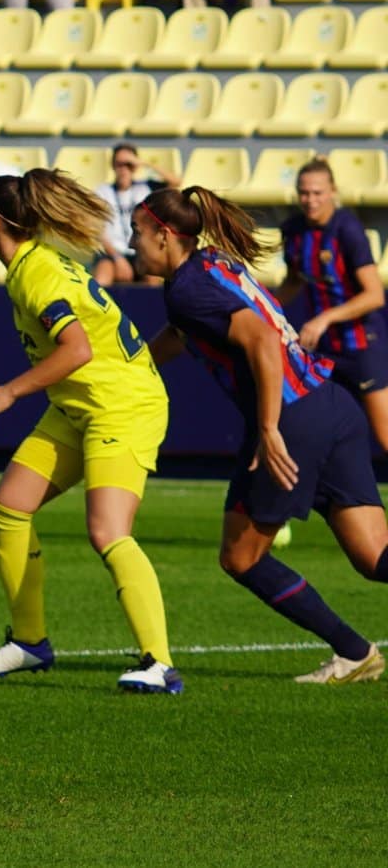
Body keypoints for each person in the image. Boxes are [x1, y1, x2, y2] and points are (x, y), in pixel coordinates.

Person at [132, 186, 388, 684]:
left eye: (137, 234)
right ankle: (357, 656)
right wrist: (133, 362)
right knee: (375, 557)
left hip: (293, 418)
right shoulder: (209, 263)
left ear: (164, 236)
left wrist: (269, 428)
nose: (130, 245)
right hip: (331, 403)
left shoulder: (187, 288)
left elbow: (263, 340)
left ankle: (354, 652)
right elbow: (185, 334)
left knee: (241, 556)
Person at [0, 170, 179, 693]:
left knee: (107, 531)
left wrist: (10, 392)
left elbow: (76, 348)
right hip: (79, 403)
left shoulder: (37, 272)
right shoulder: (32, 265)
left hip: (120, 406)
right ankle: (29, 643)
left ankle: (159, 663)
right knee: (10, 507)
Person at [276, 159, 388, 451]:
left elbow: (374, 294)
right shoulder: (293, 230)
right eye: (304, 193)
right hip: (323, 351)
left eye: (317, 193)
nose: (310, 200)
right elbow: (294, 281)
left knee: (385, 435)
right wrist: (264, 306)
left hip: (362, 345)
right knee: (323, 434)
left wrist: (324, 318)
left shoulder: (347, 229)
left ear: (332, 192)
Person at [94, 143, 180, 286]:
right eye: (119, 164)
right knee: (102, 277)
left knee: (153, 278)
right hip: (113, 253)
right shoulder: (103, 191)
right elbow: (98, 231)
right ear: (113, 166)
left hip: (141, 250)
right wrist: (117, 258)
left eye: (129, 164)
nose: (124, 169)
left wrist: (145, 164)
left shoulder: (145, 187)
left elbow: (176, 182)